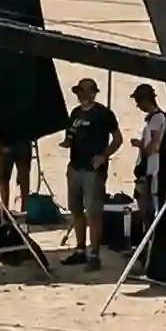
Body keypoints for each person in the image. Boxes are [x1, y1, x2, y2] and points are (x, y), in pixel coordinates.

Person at [60, 77, 121, 268]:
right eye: (78, 91)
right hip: (75, 166)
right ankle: (80, 249)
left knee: (93, 213)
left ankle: (94, 253)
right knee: (76, 209)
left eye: (83, 91)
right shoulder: (76, 113)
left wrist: (104, 156)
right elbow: (71, 134)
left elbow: (118, 138)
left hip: (93, 171)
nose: (79, 95)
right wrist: (68, 142)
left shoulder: (103, 114)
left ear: (92, 93)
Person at [132, 84, 166, 233]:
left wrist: (144, 150)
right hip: (151, 168)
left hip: (153, 169)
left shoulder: (157, 119)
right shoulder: (155, 118)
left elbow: (155, 143)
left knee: (149, 207)